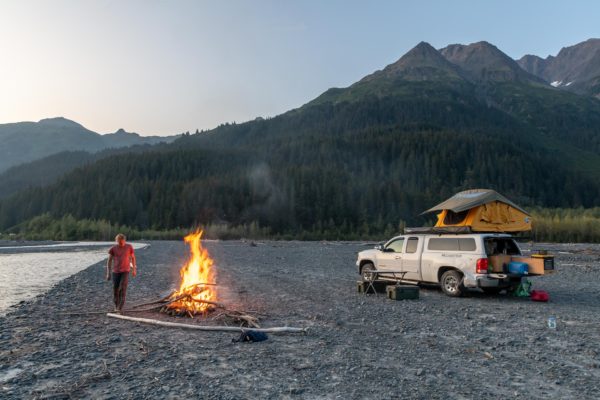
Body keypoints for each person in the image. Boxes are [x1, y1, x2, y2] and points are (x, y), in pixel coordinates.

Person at [106, 233, 137, 313]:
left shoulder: (129, 247)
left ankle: (120, 307)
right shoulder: (113, 248)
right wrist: (108, 273)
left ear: (124, 240)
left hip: (125, 271)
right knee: (115, 289)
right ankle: (116, 305)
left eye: (122, 242)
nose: (121, 243)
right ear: (116, 241)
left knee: (122, 288)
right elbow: (109, 261)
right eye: (119, 242)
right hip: (115, 271)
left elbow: (133, 258)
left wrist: (134, 269)